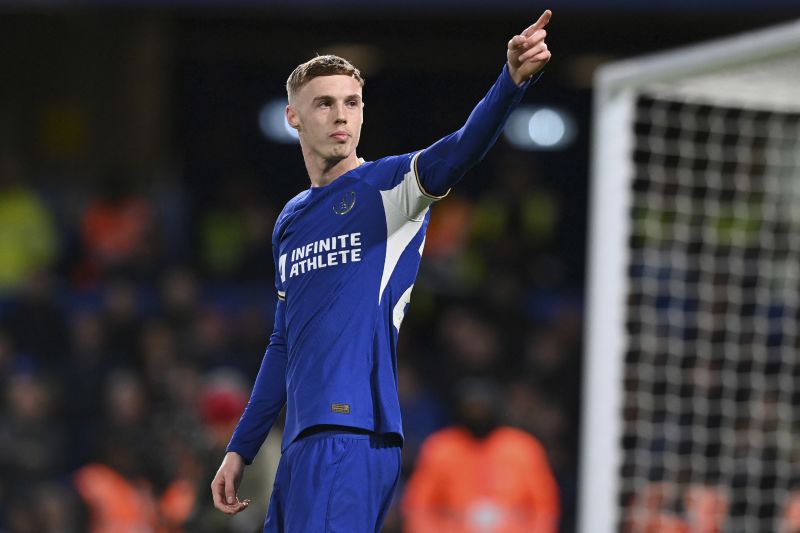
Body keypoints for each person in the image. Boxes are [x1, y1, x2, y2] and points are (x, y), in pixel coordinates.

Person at [211, 10, 553, 532]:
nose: (340, 115)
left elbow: (461, 150)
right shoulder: (290, 220)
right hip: (302, 440)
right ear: (293, 117)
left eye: (351, 103)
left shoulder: (390, 188)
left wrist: (509, 84)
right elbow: (283, 343)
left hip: (354, 431)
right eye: (324, 104)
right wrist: (242, 449)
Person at [402, 378, 560, 533]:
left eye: (483, 410)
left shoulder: (522, 448)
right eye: (471, 409)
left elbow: (544, 509)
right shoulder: (441, 448)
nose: (477, 415)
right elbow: (418, 508)